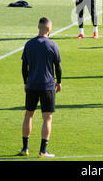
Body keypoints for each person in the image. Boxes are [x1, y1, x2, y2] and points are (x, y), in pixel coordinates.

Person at [17, 17, 62, 158]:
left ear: (38, 27)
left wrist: (25, 82)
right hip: (47, 85)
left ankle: (25, 149)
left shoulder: (29, 44)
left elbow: (24, 67)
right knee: (47, 118)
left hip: (32, 84)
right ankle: (43, 151)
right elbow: (58, 67)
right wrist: (59, 82)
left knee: (28, 115)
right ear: (49, 29)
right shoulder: (53, 45)